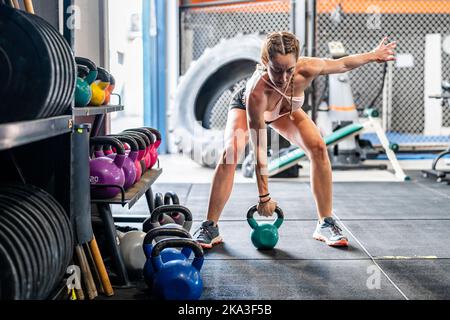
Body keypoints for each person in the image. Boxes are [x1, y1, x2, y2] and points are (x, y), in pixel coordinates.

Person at [193, 31, 396, 249]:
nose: (283, 78)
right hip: (248, 108)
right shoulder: (256, 93)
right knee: (230, 153)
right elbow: (259, 148)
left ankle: (325, 223)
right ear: (265, 62)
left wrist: (373, 55)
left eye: (289, 69)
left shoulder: (307, 68)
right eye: (276, 70)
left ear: (297, 62)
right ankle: (210, 226)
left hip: (284, 110)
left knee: (318, 147)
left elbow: (343, 64)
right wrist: (264, 198)